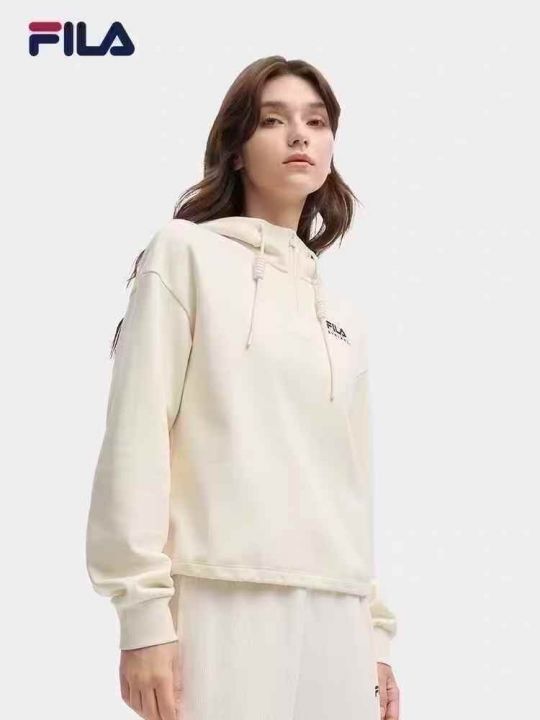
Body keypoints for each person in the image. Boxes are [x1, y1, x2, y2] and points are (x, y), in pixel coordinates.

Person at [85, 55, 400, 720]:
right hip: (219, 599)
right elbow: (138, 434)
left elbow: (355, 481)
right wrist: (143, 616)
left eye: (316, 122)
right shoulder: (183, 255)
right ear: (235, 148)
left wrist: (375, 632)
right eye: (273, 120)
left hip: (336, 615)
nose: (299, 135)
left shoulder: (343, 316)